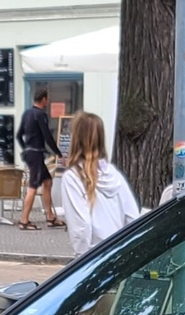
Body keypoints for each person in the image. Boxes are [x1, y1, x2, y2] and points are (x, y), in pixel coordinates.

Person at [54, 113, 140, 257]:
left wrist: (81, 260)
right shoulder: (114, 174)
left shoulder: (73, 177)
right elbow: (132, 217)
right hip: (118, 253)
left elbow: (81, 225)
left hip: (93, 258)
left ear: (75, 139)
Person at [15, 87, 60, 229]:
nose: (48, 101)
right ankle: (24, 221)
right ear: (44, 99)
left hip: (31, 153)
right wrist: (58, 153)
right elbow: (47, 136)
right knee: (33, 187)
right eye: (47, 98)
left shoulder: (27, 113)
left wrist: (26, 148)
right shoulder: (41, 115)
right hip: (36, 154)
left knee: (47, 182)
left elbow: (18, 135)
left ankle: (50, 217)